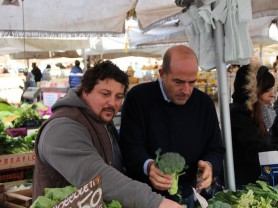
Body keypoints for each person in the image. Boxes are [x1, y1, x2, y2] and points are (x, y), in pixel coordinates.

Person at [32, 60, 184, 208]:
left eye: (118, 97)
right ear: (85, 91)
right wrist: (155, 202)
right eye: (105, 94)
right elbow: (95, 175)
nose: (113, 103)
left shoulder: (101, 120)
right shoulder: (62, 128)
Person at [119, 45, 225, 207]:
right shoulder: (138, 98)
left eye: (192, 82)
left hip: (189, 195)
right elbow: (129, 146)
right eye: (178, 82)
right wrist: (148, 166)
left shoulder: (205, 104)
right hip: (145, 198)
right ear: (162, 74)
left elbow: (216, 148)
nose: (186, 90)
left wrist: (210, 165)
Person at [230, 61, 278, 189]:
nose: (273, 94)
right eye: (266, 90)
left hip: (258, 181)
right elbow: (261, 148)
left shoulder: (263, 112)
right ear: (251, 93)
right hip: (245, 186)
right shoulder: (239, 116)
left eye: (273, 89)